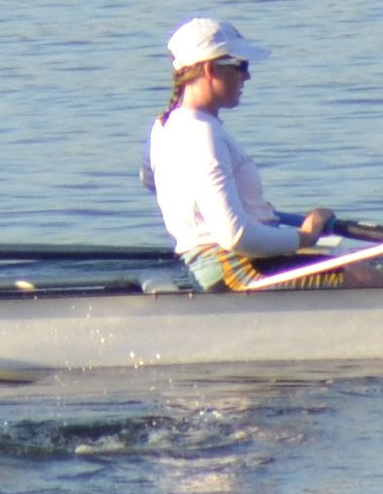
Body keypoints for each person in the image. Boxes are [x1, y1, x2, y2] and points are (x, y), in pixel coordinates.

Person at [146, 18, 347, 290]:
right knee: (374, 280)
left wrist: (259, 212)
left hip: (223, 261)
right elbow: (234, 235)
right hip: (234, 267)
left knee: (346, 263)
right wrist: (305, 236)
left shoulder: (166, 124)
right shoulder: (200, 133)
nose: (247, 76)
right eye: (241, 66)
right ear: (210, 69)